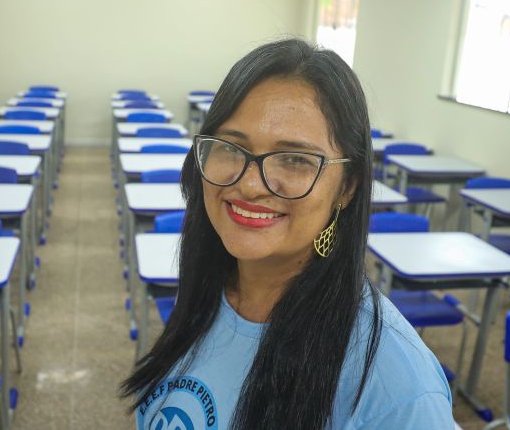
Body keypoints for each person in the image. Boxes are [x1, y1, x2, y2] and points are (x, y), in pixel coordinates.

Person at [121, 38, 454, 429]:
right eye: (230, 146)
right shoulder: (213, 290)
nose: (249, 185)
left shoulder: (395, 383)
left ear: (347, 187)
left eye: (295, 160)